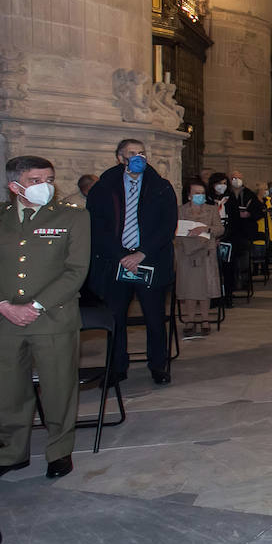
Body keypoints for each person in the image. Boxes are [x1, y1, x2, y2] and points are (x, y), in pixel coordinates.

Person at [0, 155, 89, 480]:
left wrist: (34, 307)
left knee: (58, 387)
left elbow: (75, 271)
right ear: (15, 185)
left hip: (53, 317)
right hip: (2, 318)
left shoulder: (73, 217)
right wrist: (3, 306)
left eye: (49, 179)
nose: (45, 186)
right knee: (8, 389)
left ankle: (59, 450)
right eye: (36, 180)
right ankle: (11, 452)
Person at [87, 139, 177, 385]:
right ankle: (117, 367)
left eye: (142, 153)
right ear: (120, 158)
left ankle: (158, 365)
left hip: (150, 260)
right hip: (115, 261)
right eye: (132, 153)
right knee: (115, 317)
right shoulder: (104, 187)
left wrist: (141, 253)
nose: (138, 157)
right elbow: (98, 226)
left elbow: (167, 225)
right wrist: (121, 255)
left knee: (154, 318)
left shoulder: (160, 186)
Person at [175, 179, 223, 337]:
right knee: (189, 288)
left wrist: (206, 228)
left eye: (202, 193)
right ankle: (189, 319)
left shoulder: (211, 210)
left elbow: (220, 229)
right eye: (196, 193)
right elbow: (174, 230)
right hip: (186, 253)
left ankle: (205, 319)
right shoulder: (180, 210)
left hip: (206, 253)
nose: (199, 196)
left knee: (204, 288)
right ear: (189, 195)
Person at [208, 171, 240, 303]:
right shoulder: (208, 199)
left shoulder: (230, 198)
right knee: (212, 269)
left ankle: (228, 295)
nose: (222, 186)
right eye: (219, 183)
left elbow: (235, 220)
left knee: (228, 267)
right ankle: (214, 297)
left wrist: (224, 236)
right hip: (211, 236)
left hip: (228, 237)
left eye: (224, 183)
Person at [229, 170, 263, 290]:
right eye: (233, 178)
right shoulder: (227, 194)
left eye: (238, 178)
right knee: (231, 259)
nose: (236, 181)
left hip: (246, 231)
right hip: (231, 231)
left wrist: (249, 214)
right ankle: (232, 282)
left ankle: (244, 282)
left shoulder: (249, 194)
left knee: (244, 257)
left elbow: (259, 211)